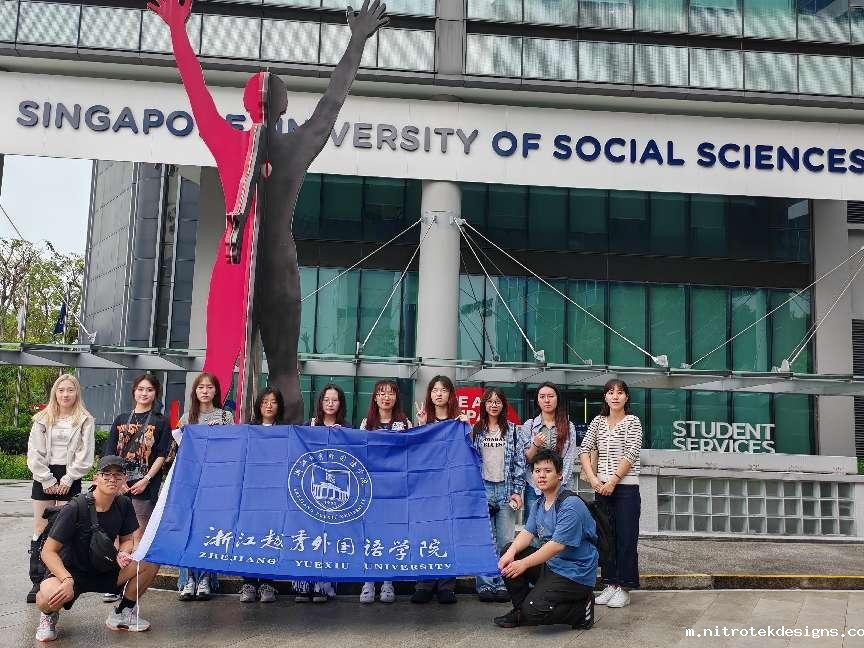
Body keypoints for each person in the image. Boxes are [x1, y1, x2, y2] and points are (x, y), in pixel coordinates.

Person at [147, 0, 388, 423]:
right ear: (285, 106)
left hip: (238, 259)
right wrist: (356, 42)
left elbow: (197, 93)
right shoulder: (295, 145)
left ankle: (217, 439)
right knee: (271, 370)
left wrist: (178, 32)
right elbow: (330, 103)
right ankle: (275, 443)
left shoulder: (229, 141)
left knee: (226, 366)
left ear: (246, 104)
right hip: (272, 263)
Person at [34, 455, 161, 641]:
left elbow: (127, 539)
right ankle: (48, 615)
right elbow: (48, 551)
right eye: (106, 474)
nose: (112, 479)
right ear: (96, 479)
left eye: (118, 475)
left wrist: (123, 553)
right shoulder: (75, 507)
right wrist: (66, 579)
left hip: (104, 567)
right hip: (71, 572)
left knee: (150, 560)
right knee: (46, 597)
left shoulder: (124, 504)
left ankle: (123, 611)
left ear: (125, 479)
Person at [494, 449, 597, 631]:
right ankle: (521, 610)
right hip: (552, 566)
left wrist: (523, 564)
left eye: (547, 471)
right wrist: (510, 553)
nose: (541, 475)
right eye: (537, 471)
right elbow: (527, 533)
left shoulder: (570, 505)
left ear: (559, 475)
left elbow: (556, 546)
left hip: (575, 573)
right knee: (509, 552)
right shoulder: (539, 503)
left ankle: (581, 610)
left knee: (534, 612)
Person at [26, 374, 96, 603]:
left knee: (63, 530)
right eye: (61, 390)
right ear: (55, 393)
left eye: (70, 390)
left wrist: (68, 479)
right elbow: (34, 452)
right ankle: (37, 580)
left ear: (77, 393)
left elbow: (86, 454)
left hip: (70, 475)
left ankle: (57, 578)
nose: (65, 394)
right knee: (41, 527)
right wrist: (46, 479)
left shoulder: (85, 420)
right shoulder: (41, 418)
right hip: (43, 474)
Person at [579, 379, 643, 609]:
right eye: (611, 392)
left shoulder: (633, 421)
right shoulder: (598, 421)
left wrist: (613, 481)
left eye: (620, 392)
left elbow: (632, 453)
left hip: (626, 487)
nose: (615, 396)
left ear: (627, 397)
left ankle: (624, 588)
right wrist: (594, 480)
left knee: (626, 537)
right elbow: (584, 450)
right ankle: (610, 583)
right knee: (606, 538)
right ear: (605, 396)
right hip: (601, 487)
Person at [175, 372, 233, 602]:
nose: (205, 391)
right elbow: (179, 450)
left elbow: (233, 447)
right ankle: (189, 578)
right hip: (191, 480)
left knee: (211, 528)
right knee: (190, 527)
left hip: (216, 480)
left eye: (209, 387)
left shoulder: (226, 416)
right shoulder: (187, 418)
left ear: (216, 391)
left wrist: (222, 433)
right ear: (195, 391)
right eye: (201, 387)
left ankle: (207, 578)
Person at [412, 375, 467, 604]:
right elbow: (415, 453)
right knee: (426, 533)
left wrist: (466, 428)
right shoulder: (424, 420)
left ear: (450, 394)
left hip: (451, 486)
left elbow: (467, 453)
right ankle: (424, 584)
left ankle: (446, 585)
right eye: (435, 390)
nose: (439, 394)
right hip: (427, 487)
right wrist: (422, 426)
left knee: (449, 535)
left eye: (443, 390)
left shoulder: (459, 421)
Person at [358, 380, 412, 604]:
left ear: (396, 398)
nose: (386, 397)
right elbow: (360, 452)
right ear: (375, 398)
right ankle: (368, 581)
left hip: (395, 489)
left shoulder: (405, 423)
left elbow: (412, 452)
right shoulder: (366, 423)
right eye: (381, 393)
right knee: (370, 533)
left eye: (390, 393)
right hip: (372, 488)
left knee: (391, 533)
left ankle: (388, 581)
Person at [291, 384, 346, 603]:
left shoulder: (347, 428)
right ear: (320, 403)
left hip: (333, 493)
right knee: (307, 535)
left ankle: (325, 585)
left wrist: (343, 436)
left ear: (340, 403)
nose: (330, 404)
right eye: (326, 400)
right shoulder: (309, 425)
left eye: (335, 400)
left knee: (329, 537)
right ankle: (303, 584)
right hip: (310, 488)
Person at [471, 388, 525, 603]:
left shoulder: (512, 430)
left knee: (505, 540)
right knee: (485, 540)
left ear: (503, 405)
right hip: (483, 489)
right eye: (490, 401)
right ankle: (485, 583)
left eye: (498, 401)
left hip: (506, 489)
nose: (494, 405)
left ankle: (503, 582)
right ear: (484, 405)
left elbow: (519, 462)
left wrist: (517, 491)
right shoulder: (476, 430)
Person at [239, 387, 284, 604]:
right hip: (251, 491)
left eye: (273, 401)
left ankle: (268, 583)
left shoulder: (287, 431)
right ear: (258, 405)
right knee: (249, 534)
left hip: (275, 492)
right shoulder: (248, 430)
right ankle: (248, 582)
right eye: (265, 401)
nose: (269, 405)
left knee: (271, 536)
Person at [522, 382, 578, 513]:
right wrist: (535, 444)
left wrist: (557, 484)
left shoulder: (568, 426)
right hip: (535, 487)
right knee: (533, 523)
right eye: (542, 397)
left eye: (551, 396)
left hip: (561, 487)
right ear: (537, 401)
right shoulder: (529, 425)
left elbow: (569, 459)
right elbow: (526, 459)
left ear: (557, 399)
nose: (546, 400)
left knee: (560, 521)